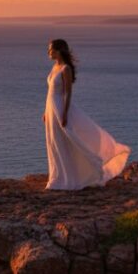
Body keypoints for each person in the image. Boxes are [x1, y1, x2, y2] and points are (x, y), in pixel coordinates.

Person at [43, 38, 131, 190]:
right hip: (51, 109)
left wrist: (64, 113)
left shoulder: (65, 69)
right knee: (54, 142)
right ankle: (58, 176)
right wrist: (45, 112)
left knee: (68, 141)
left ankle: (73, 176)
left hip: (61, 108)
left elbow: (68, 93)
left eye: (50, 49)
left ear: (59, 51)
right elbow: (49, 92)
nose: (48, 52)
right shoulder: (54, 67)